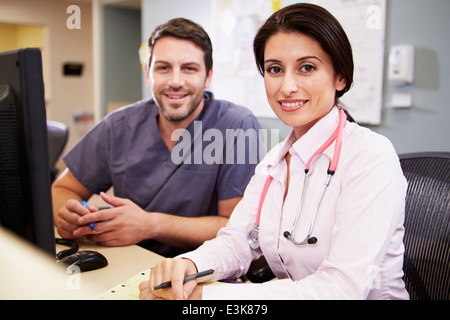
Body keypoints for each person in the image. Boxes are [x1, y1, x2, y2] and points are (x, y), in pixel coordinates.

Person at [139, 3, 409, 299]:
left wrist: (208, 298)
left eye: (307, 67)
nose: (287, 86)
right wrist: (189, 266)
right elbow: (237, 241)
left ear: (340, 77)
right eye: (275, 69)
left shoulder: (371, 156)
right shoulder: (274, 161)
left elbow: (342, 288)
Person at [52, 18, 264, 258]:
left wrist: (150, 225)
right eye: (163, 68)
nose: (175, 82)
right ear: (147, 74)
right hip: (129, 262)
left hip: (206, 269)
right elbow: (62, 188)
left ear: (208, 77)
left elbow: (237, 227)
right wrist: (68, 214)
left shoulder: (236, 125)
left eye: (189, 68)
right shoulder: (119, 126)